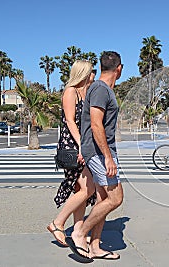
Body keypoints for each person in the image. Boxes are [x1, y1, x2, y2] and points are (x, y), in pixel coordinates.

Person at [65, 51, 123, 261]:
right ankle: (79, 232)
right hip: (99, 153)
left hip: (101, 151)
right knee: (116, 198)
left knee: (104, 198)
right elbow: (96, 124)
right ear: (119, 68)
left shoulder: (102, 89)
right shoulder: (100, 89)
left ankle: (96, 246)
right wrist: (107, 157)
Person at [47, 60, 96, 247]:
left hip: (82, 144)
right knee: (87, 188)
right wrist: (81, 146)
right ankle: (57, 223)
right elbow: (69, 121)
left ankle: (78, 231)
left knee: (81, 190)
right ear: (83, 73)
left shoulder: (85, 92)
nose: (93, 74)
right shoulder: (71, 91)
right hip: (72, 145)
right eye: (91, 71)